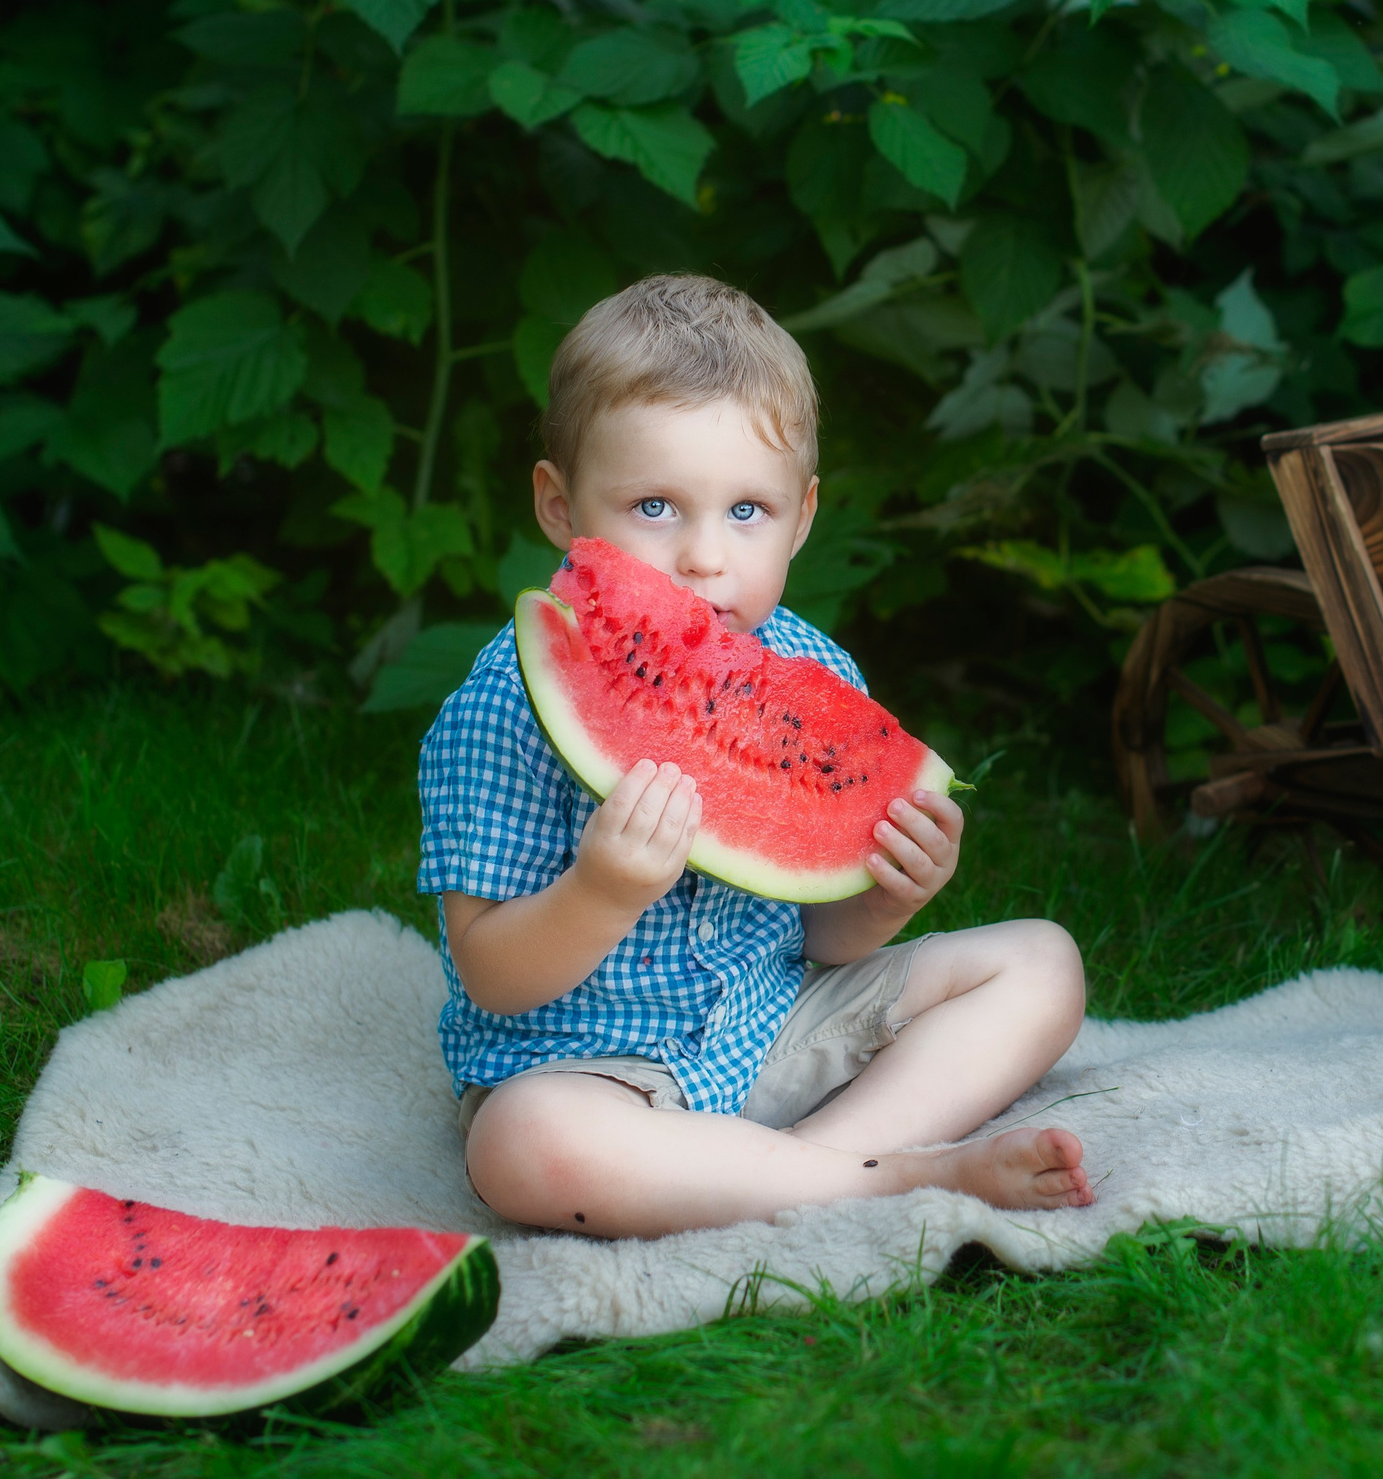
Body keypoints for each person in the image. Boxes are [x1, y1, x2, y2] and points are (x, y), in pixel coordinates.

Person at [416, 273, 1092, 1239]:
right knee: (521, 1145)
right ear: (560, 507)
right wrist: (600, 891)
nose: (703, 556)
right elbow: (491, 974)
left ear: (803, 516)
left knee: (1042, 963)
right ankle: (886, 1179)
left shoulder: (817, 672)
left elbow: (819, 938)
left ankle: (822, 1164)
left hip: (776, 1029)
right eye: (655, 505)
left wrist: (888, 897)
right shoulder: (502, 709)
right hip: (595, 1075)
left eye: (746, 512)